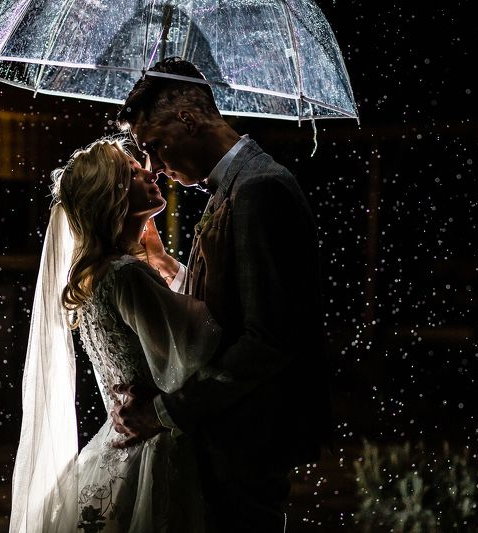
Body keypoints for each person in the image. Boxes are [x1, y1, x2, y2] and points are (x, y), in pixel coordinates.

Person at [111, 57, 333, 532]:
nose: (155, 167)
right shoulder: (228, 188)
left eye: (155, 145)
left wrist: (165, 411)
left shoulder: (259, 189)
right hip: (230, 433)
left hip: (249, 435)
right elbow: (227, 303)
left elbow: (268, 339)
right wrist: (167, 265)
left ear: (187, 120)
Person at [8, 136, 232, 533]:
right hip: (159, 443)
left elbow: (168, 329)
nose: (150, 172)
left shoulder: (103, 274)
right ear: (111, 196)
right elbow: (200, 345)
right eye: (131, 172)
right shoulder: (127, 275)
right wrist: (215, 272)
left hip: (124, 438)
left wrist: (161, 261)